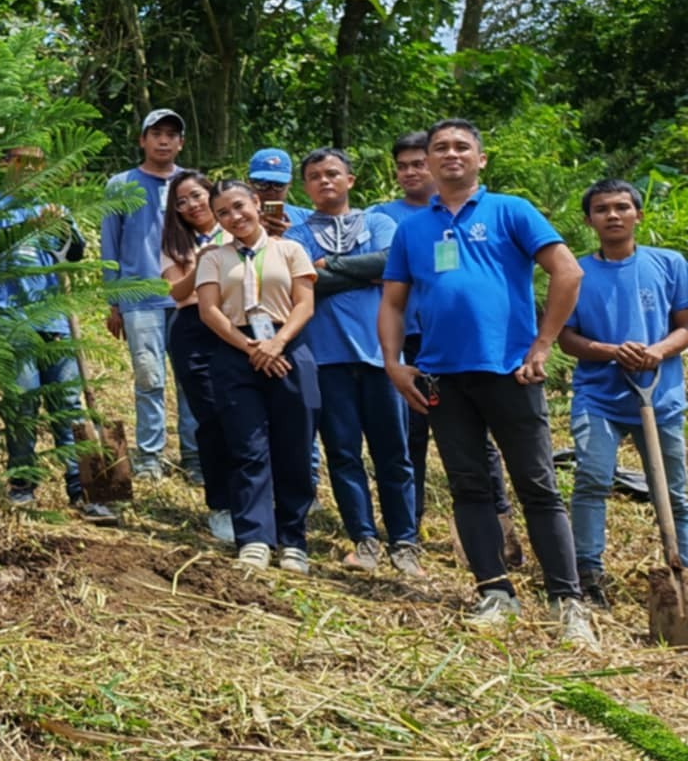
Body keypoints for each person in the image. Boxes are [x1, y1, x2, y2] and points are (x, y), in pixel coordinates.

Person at [379, 118, 594, 644]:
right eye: (439, 149)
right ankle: (494, 592)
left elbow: (568, 272)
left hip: (510, 371)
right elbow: (392, 301)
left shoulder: (511, 210)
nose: (450, 155)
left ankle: (567, 602)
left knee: (537, 485)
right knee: (469, 486)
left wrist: (542, 344)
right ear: (426, 162)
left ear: (480, 159)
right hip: (442, 377)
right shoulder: (412, 229)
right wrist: (392, 361)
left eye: (461, 147)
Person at [372, 130, 517, 549]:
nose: (411, 172)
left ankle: (499, 522)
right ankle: (409, 527)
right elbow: (382, 273)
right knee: (412, 435)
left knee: (482, 440)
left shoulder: (481, 214)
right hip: (415, 345)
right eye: (403, 166)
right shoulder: (385, 217)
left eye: (418, 163)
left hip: (470, 345)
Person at [284, 149, 422, 578]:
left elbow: (391, 263)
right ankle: (363, 538)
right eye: (314, 177)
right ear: (305, 187)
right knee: (343, 453)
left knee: (394, 453)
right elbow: (303, 280)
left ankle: (405, 541)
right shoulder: (297, 231)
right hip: (326, 358)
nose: (324, 182)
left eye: (332, 174)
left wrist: (334, 268)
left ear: (350, 180)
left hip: (382, 356)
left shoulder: (379, 222)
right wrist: (359, 273)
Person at [557, 179, 688, 607]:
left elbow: (684, 326)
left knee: (675, 490)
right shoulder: (575, 273)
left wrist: (657, 352)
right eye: (601, 209)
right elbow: (567, 338)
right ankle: (588, 571)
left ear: (638, 214)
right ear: (588, 220)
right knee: (593, 480)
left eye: (621, 207)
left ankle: (682, 567)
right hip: (599, 398)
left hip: (661, 398)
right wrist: (613, 351)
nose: (612, 215)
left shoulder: (669, 264)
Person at [194, 180, 320, 572]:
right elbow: (209, 311)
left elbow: (305, 304)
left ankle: (293, 538)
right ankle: (254, 538)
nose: (234, 217)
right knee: (248, 448)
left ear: (255, 203)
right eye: (223, 213)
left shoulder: (290, 249)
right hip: (236, 351)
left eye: (239, 206)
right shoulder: (213, 257)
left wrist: (276, 344)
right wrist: (251, 348)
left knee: (294, 446)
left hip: (288, 346)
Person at [0, 148, 101, 519]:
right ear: (5, 166)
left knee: (69, 404)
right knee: (24, 400)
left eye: (36, 166)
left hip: (55, 321)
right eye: (20, 164)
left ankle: (84, 487)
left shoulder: (54, 208)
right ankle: (23, 483)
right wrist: (27, 226)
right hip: (11, 320)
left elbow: (73, 253)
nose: (28, 172)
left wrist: (61, 226)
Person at [100, 108, 200, 482]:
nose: (163, 140)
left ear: (181, 143)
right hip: (140, 298)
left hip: (189, 299)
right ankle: (150, 457)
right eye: (155, 133)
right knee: (148, 379)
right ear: (142, 139)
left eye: (171, 134)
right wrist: (114, 299)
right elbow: (109, 243)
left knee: (192, 379)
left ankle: (195, 457)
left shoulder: (190, 185)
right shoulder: (121, 184)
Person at [158, 169, 234, 544]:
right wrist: (203, 261)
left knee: (248, 416)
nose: (190, 205)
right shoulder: (174, 240)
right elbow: (175, 292)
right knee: (211, 418)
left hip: (238, 326)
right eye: (181, 201)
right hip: (192, 329)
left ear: (211, 194)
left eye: (195, 196)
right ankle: (222, 505)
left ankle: (261, 500)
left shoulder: (238, 227)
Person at [246, 147, 312, 235]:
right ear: (249, 183)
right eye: (262, 184)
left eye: (278, 185)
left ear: (289, 183)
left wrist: (291, 235)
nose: (270, 192)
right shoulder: (237, 219)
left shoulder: (307, 219)